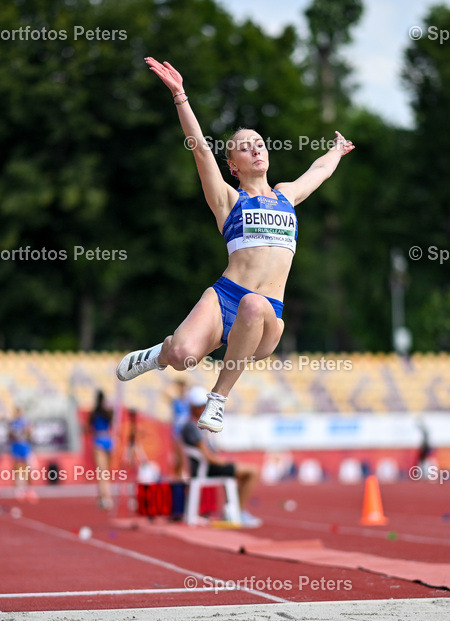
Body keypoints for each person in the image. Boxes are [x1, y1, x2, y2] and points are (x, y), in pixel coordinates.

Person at [117, 57, 355, 433]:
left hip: (266, 316)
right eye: (245, 148)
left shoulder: (287, 197)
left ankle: (218, 399)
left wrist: (336, 151)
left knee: (254, 302)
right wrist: (181, 96)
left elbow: (320, 171)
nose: (257, 150)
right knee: (183, 355)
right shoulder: (228, 200)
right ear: (233, 166)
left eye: (260, 144)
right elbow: (199, 150)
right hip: (224, 296)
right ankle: (157, 354)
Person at [180, 386, 261, 527]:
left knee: (243, 472)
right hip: (208, 468)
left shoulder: (193, 424)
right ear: (194, 408)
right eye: (201, 406)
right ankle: (238, 513)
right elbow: (208, 456)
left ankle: (233, 510)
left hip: (209, 466)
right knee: (252, 472)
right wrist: (224, 462)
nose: (203, 409)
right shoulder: (191, 426)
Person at [87, 390, 114, 510]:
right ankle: (105, 496)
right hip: (108, 440)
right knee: (106, 472)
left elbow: (89, 427)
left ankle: (105, 497)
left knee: (101, 472)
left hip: (99, 440)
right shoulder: (107, 412)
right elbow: (112, 421)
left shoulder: (94, 413)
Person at [166, 379, 190, 478]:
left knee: (186, 457)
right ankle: (178, 476)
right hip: (177, 433)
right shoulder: (175, 401)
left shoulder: (188, 402)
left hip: (186, 433)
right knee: (178, 458)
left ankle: (184, 476)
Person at [8, 407, 32, 494]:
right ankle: (18, 487)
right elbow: (10, 435)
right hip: (16, 445)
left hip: (24, 445)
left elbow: (30, 433)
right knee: (17, 466)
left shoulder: (25, 422)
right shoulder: (13, 423)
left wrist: (26, 431)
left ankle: (28, 486)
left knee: (27, 466)